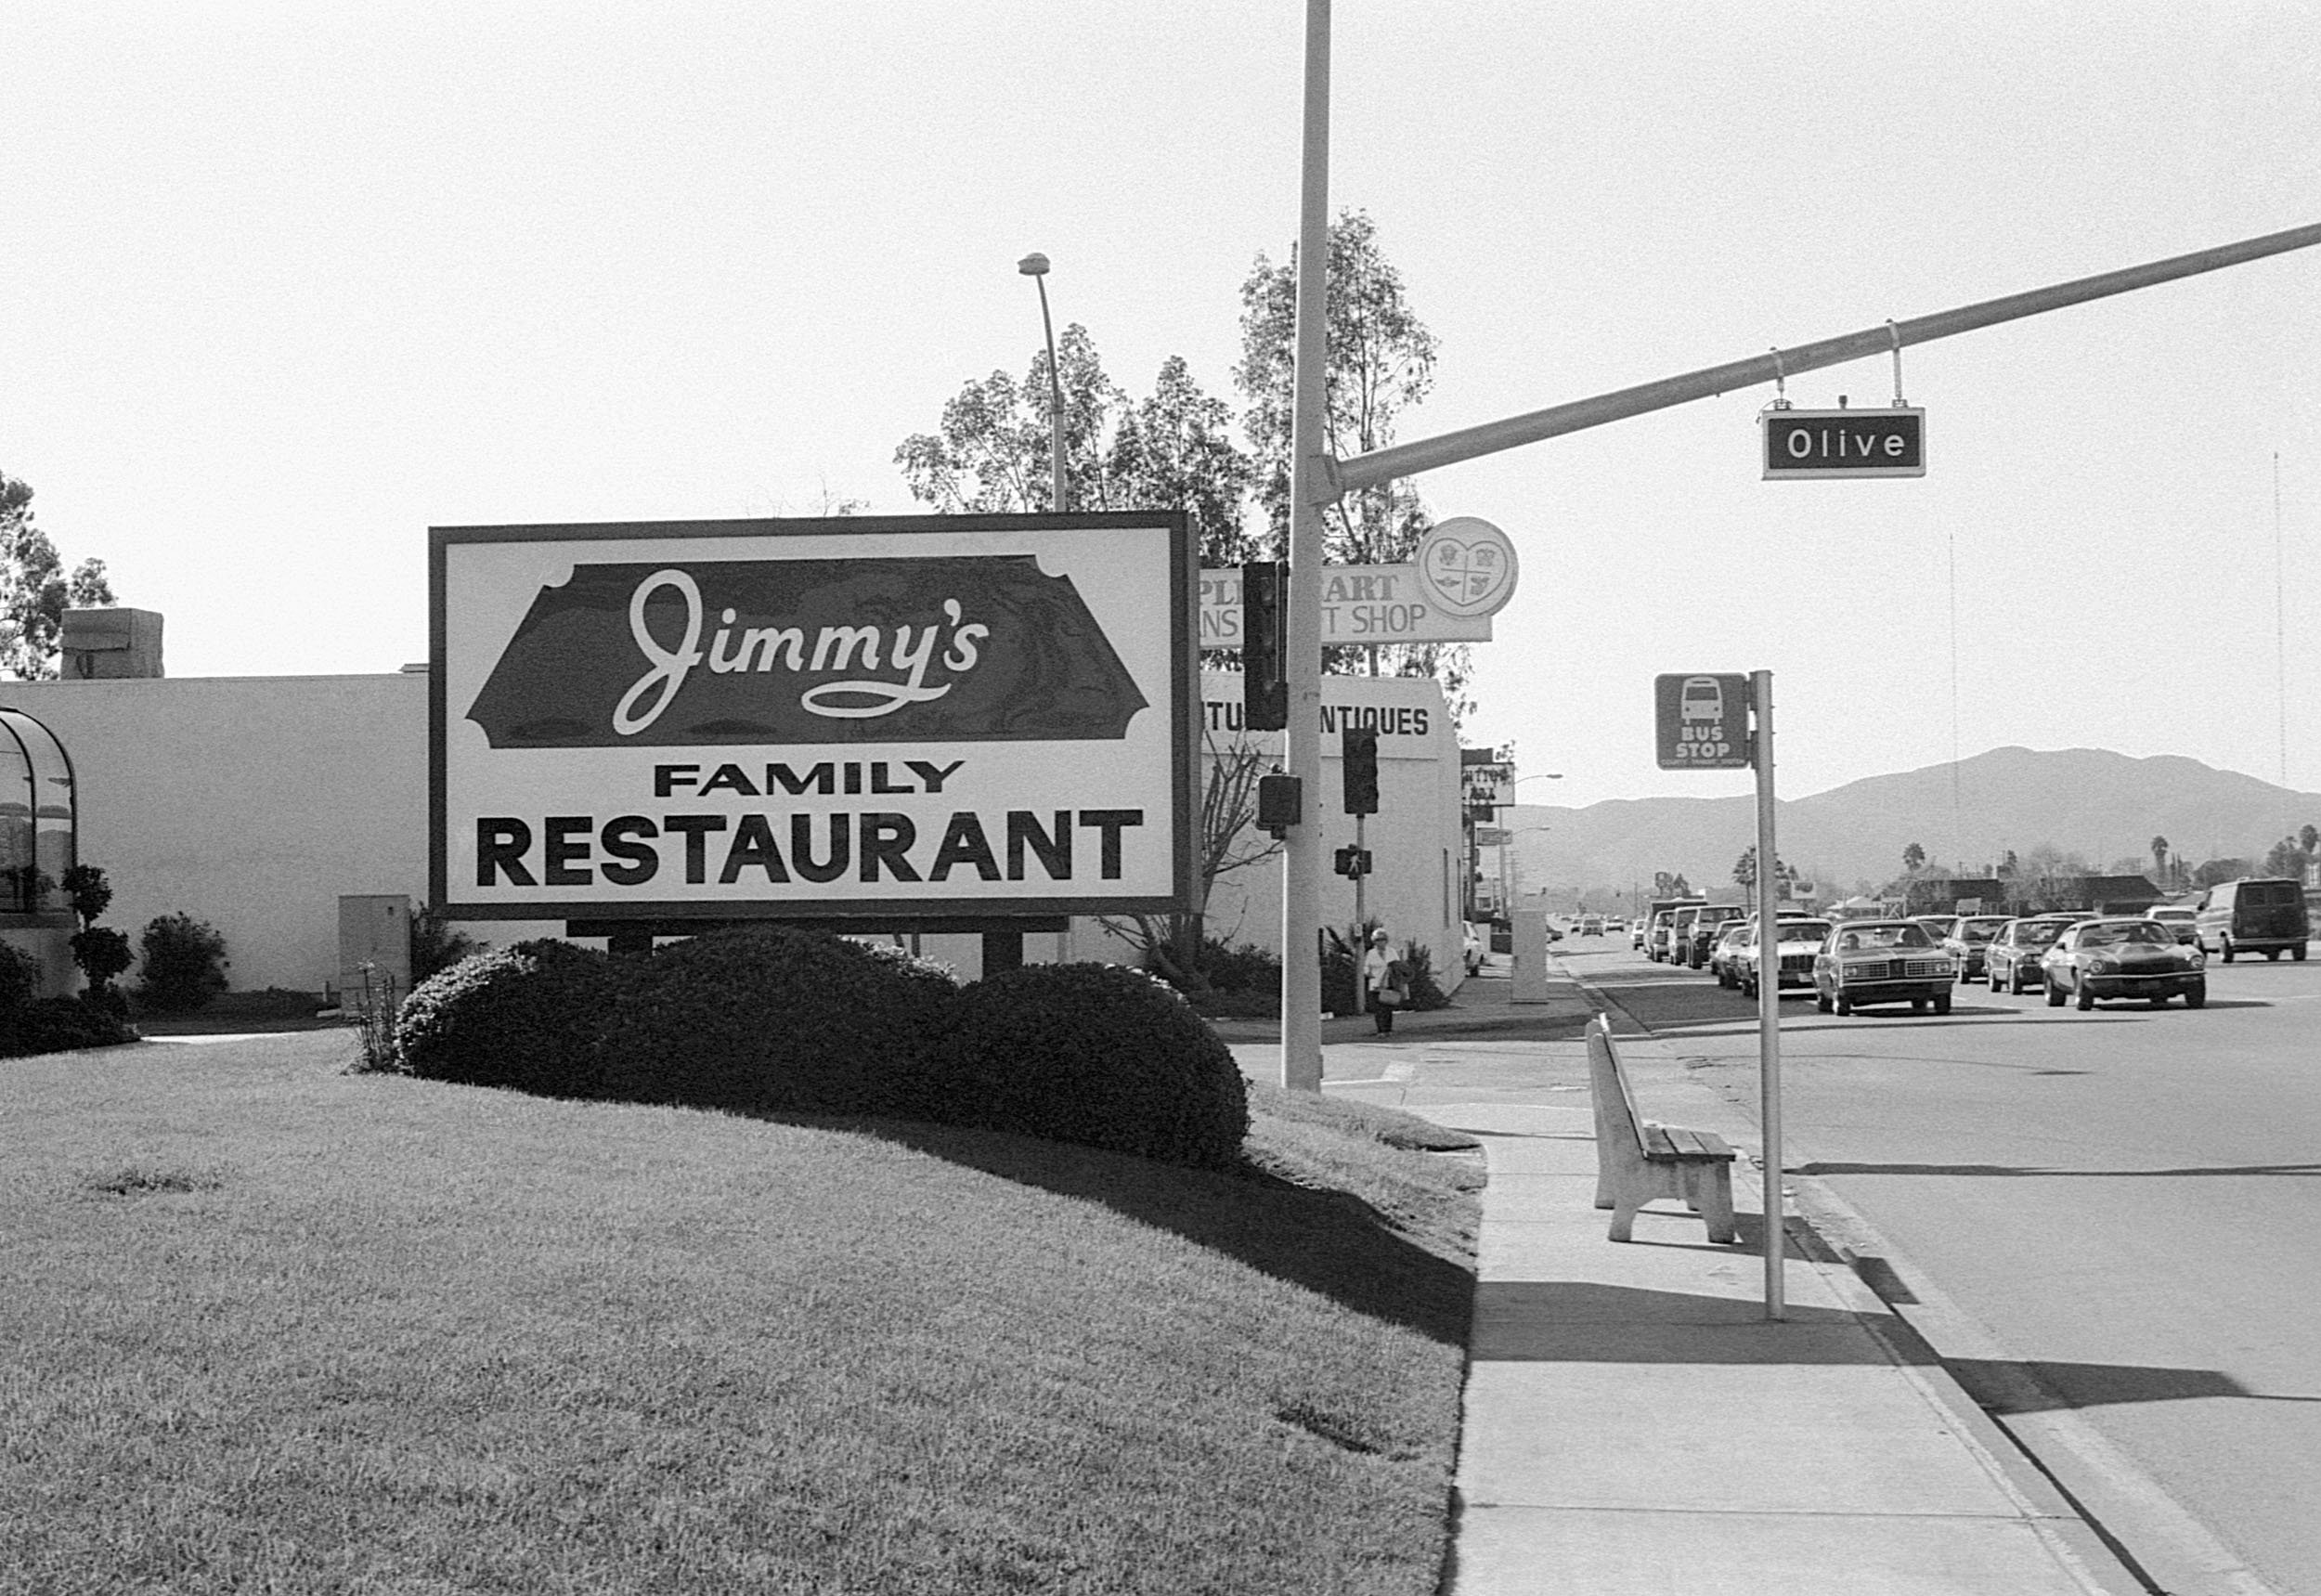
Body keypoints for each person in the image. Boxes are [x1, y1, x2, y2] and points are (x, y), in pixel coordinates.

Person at [1362, 928, 1402, 1034]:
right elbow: (1366, 966)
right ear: (1374, 941)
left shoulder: (1391, 951)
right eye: (1377, 940)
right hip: (1375, 983)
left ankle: (1388, 1029)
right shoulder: (1371, 953)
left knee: (1388, 1008)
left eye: (1383, 939)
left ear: (1386, 940)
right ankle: (1381, 1030)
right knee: (1379, 1009)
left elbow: (1398, 965)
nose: (1380, 942)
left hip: (1389, 983)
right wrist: (1367, 973)